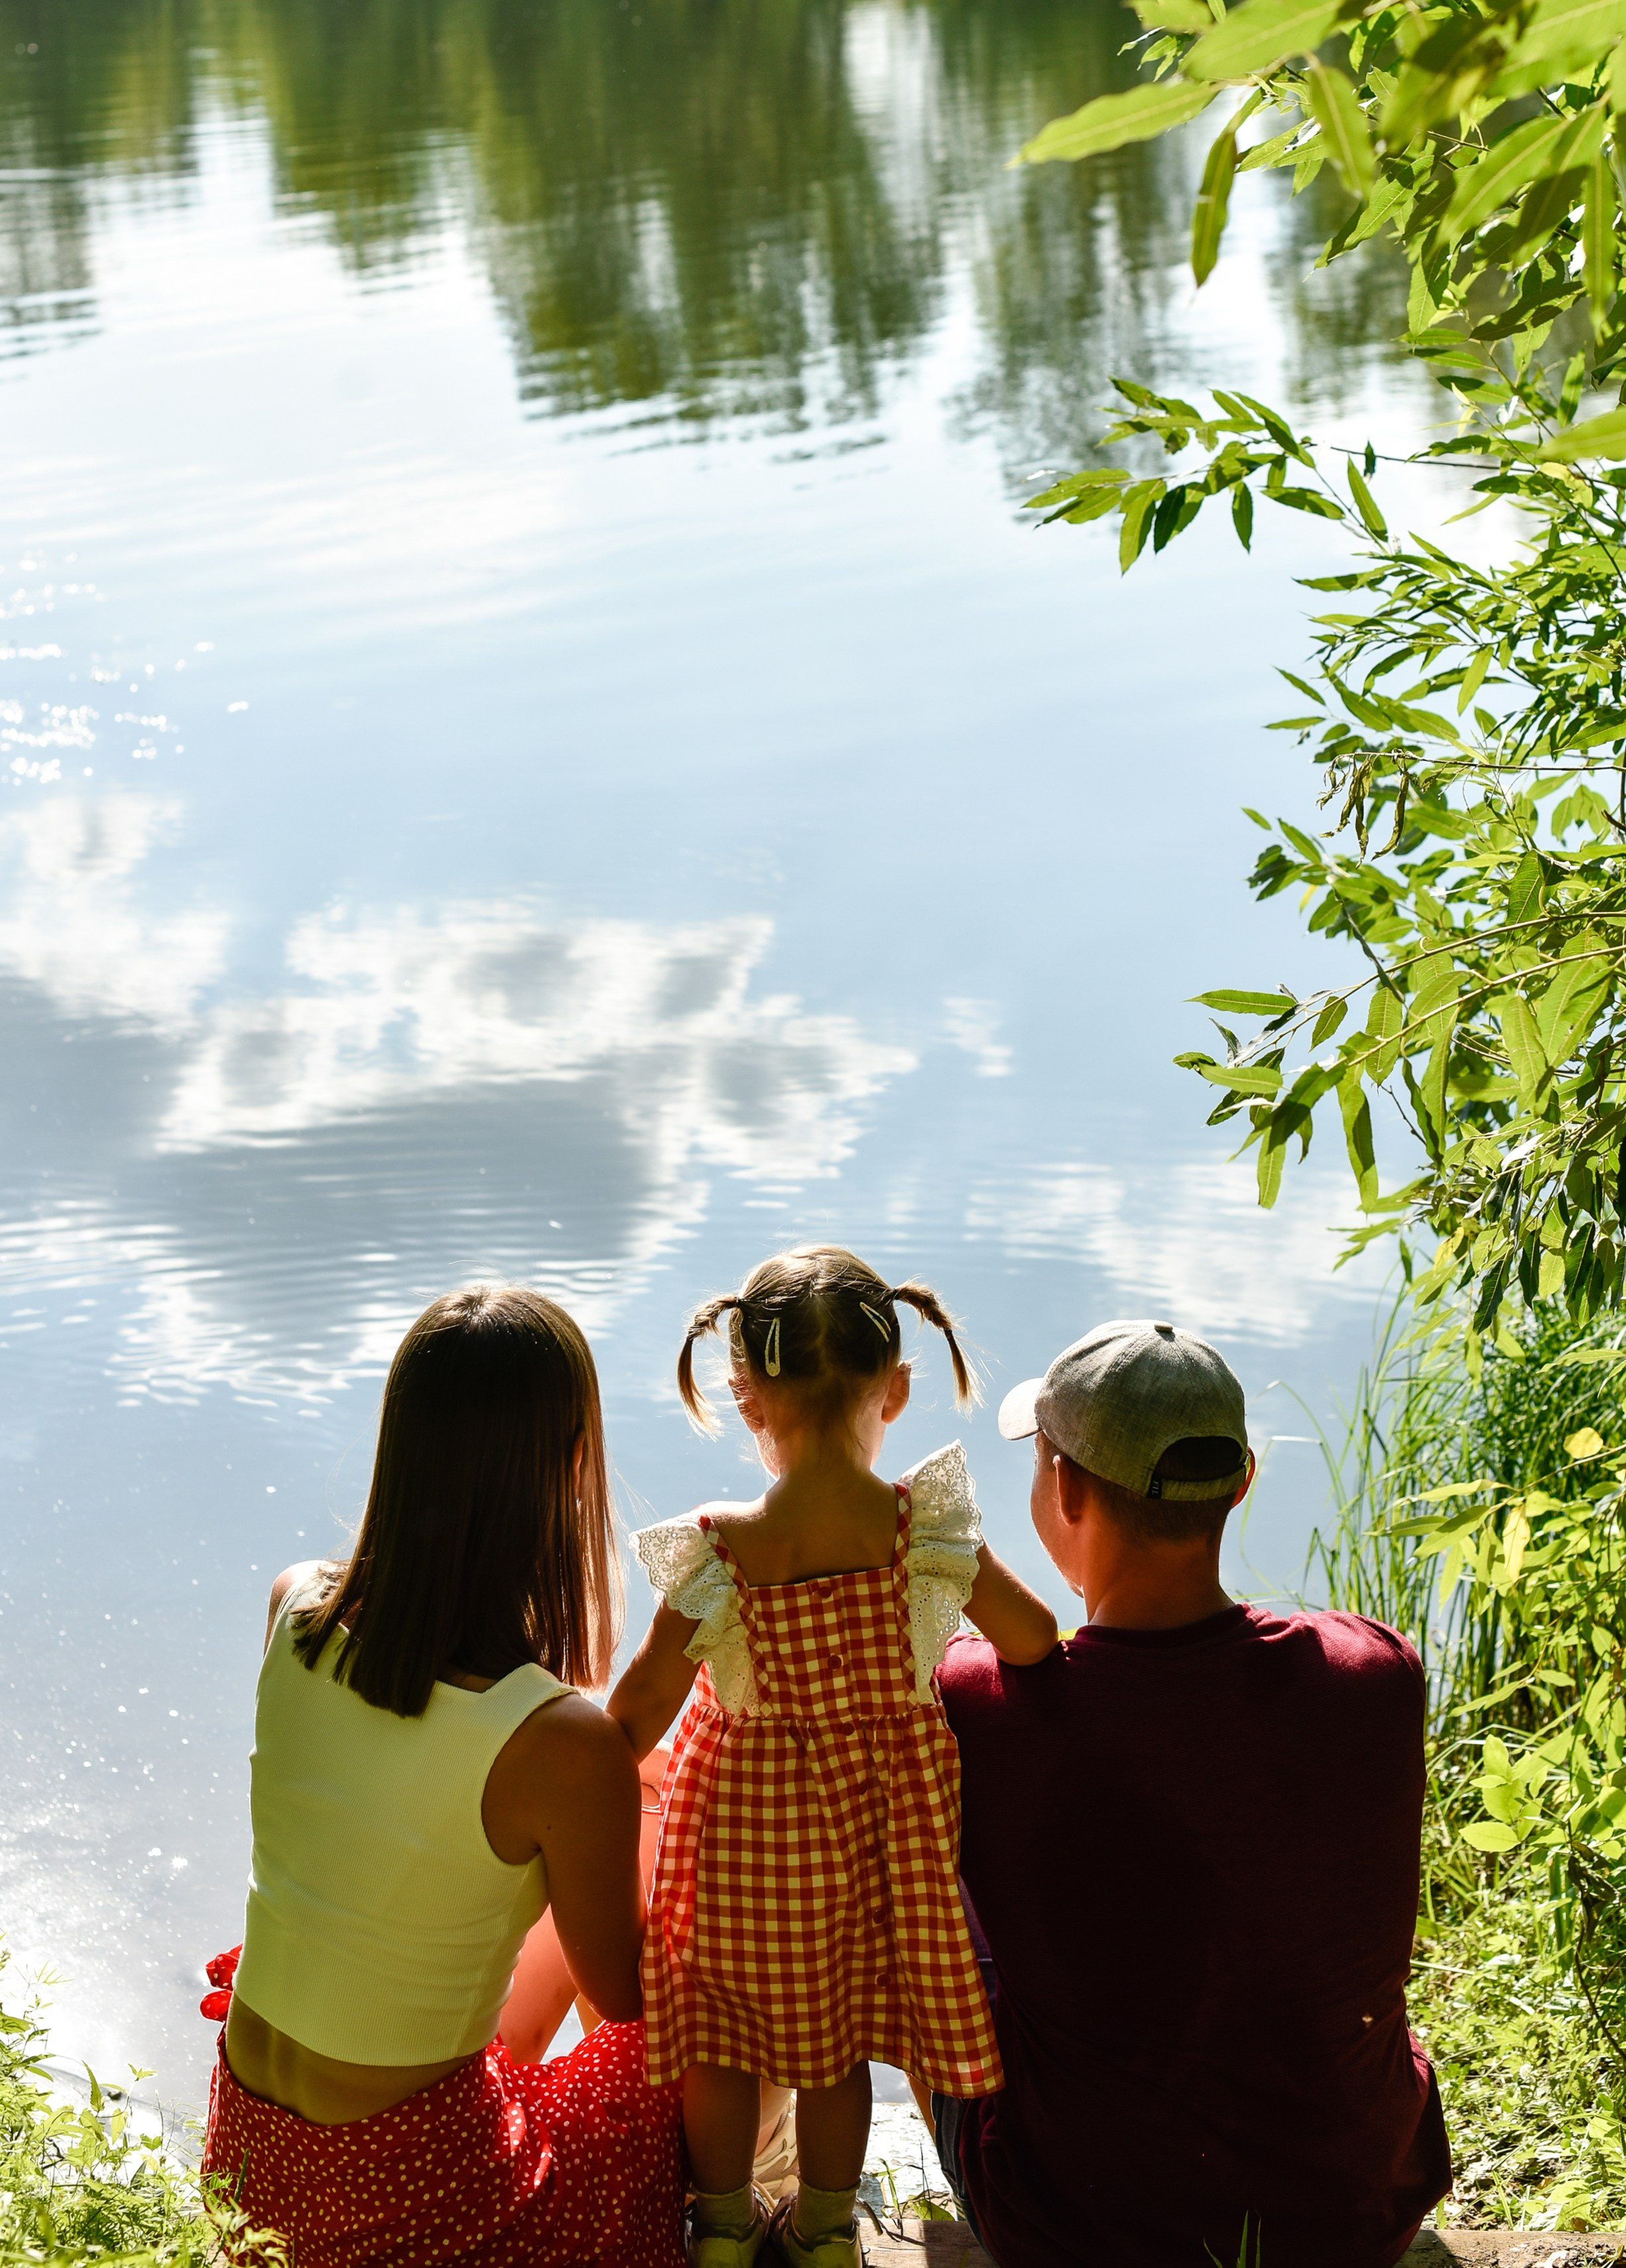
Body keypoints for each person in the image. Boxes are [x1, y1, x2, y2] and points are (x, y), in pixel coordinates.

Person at [928, 1317, 1454, 2268]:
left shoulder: (979, 1703)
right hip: (1352, 2211)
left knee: (941, 1878)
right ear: (1243, 1483)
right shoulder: (1377, 1671)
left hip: (1072, 2227)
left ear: (1067, 1486)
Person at [198, 1287, 686, 2268]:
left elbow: (424, 1766)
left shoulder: (296, 1606)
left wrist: (596, 1761)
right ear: (565, 1473)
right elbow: (630, 2002)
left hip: (250, 2171)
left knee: (534, 1859)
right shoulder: (562, 1748)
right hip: (406, 2210)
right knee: (689, 2035)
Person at [607, 1245, 1058, 2268]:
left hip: (734, 1859)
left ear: (744, 1399)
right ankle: (822, 2231)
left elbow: (634, 1716)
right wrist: (943, 1642)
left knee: (720, 2044)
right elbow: (1034, 1639)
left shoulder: (719, 1549)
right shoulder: (922, 1531)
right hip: (869, 1851)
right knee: (838, 2044)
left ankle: (719, 2229)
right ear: (895, 1390)